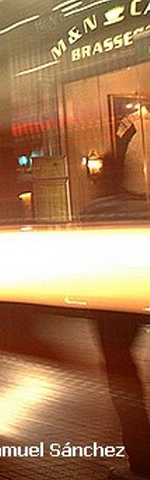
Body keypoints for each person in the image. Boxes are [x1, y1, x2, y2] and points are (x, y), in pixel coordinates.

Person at [83, 154, 150, 479]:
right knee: (130, 373)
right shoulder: (141, 209)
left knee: (123, 380)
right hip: (135, 303)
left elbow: (86, 257)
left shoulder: (94, 211)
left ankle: (140, 460)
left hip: (107, 306)